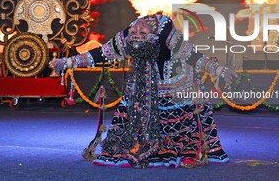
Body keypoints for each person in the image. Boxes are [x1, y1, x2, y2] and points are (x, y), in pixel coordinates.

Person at [50, 14, 236, 168]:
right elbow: (100, 54)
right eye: (135, 31)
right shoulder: (136, 36)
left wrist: (219, 70)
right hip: (146, 83)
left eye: (140, 31)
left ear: (153, 36)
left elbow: (193, 57)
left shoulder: (169, 35)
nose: (137, 27)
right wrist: (66, 63)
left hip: (179, 84)